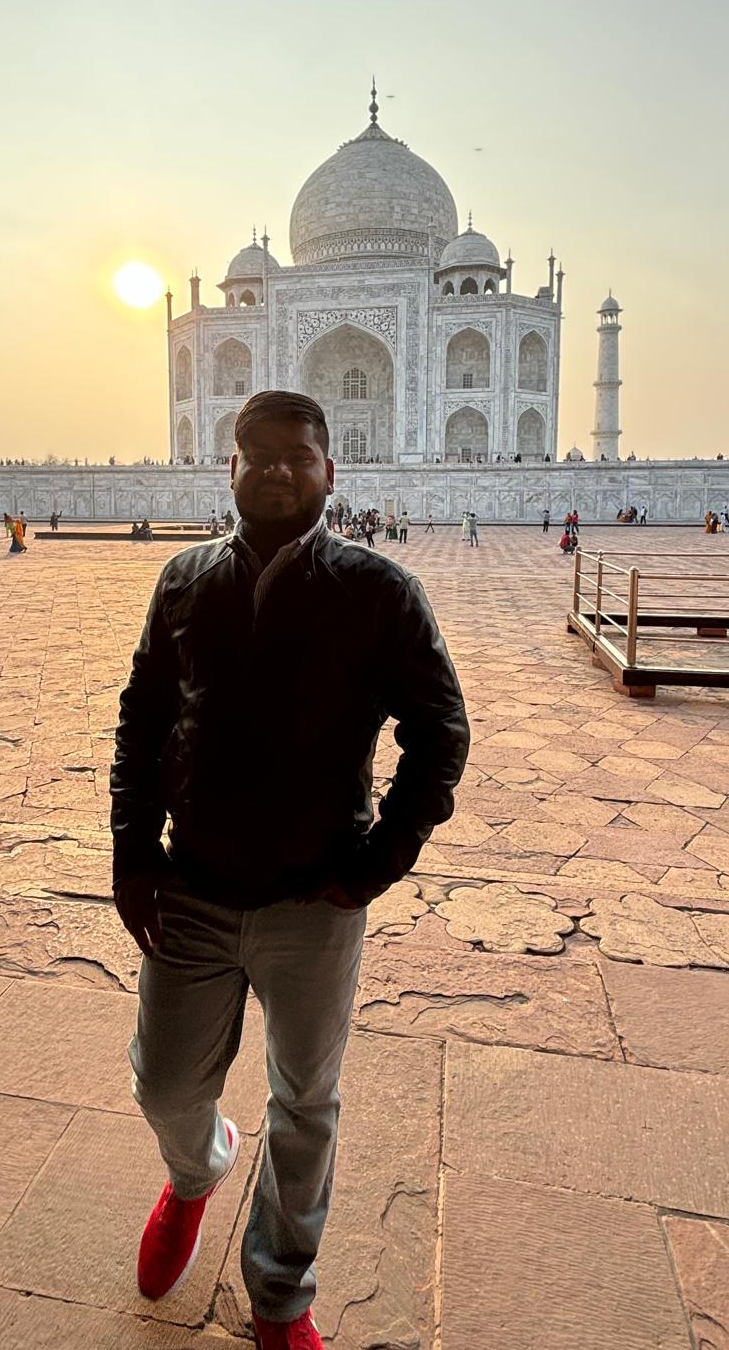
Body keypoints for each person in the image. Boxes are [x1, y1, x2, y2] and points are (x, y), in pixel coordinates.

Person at [111, 390, 468, 1349]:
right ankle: (198, 1173)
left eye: (297, 454)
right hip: (192, 886)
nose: (276, 468)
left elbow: (442, 733)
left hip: (316, 895)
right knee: (165, 1087)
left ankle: (279, 1293)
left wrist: (377, 862)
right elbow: (143, 722)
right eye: (256, 452)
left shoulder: (379, 590)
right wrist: (131, 854)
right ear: (228, 466)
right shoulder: (185, 580)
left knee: (304, 1101)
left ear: (329, 469)